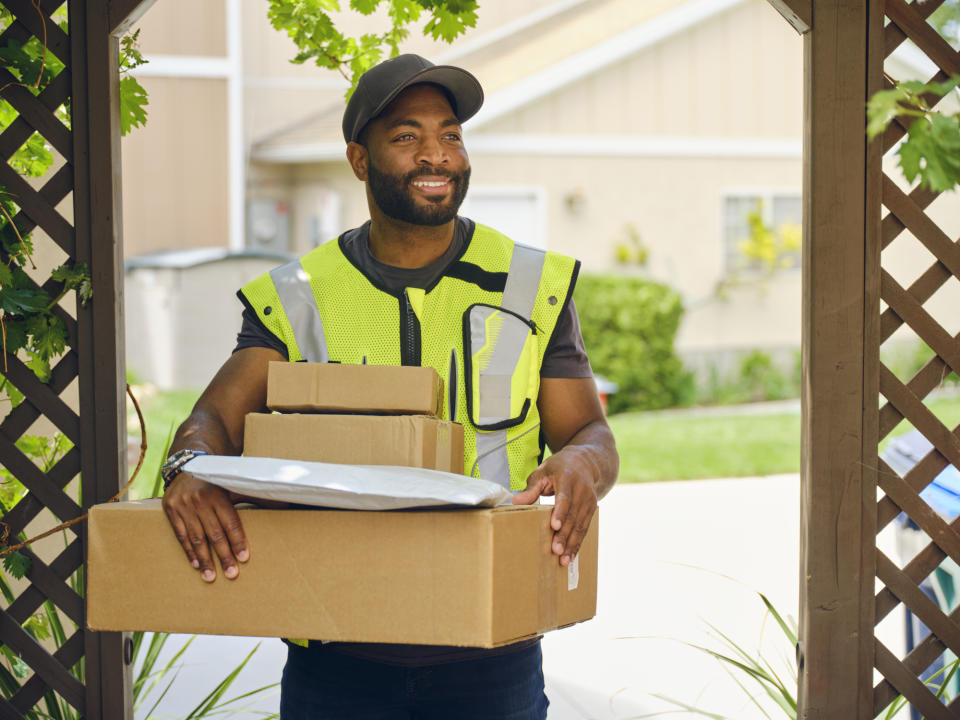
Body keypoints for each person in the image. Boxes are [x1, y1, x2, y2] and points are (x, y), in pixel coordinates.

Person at [160, 53, 618, 720]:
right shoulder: (298, 295)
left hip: (493, 657)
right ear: (359, 159)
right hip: (336, 659)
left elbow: (589, 432)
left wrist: (584, 462)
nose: (437, 155)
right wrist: (189, 467)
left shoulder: (531, 284)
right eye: (407, 137)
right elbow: (209, 424)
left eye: (450, 135)